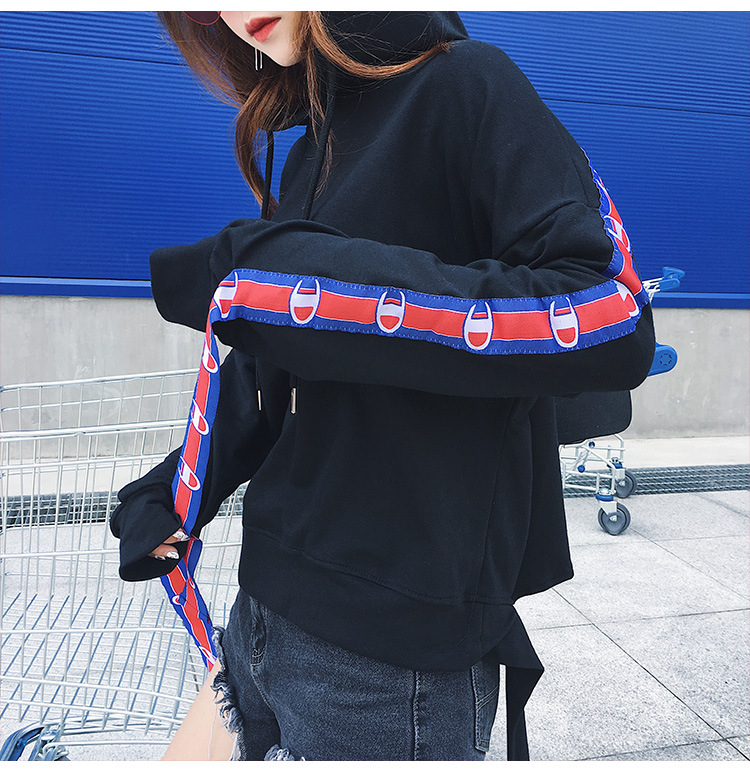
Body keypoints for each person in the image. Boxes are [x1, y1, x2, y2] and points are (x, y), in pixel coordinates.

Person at [108, 10, 655, 762]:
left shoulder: (468, 84)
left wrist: (287, 277)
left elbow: (611, 317)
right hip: (263, 606)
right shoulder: (311, 149)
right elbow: (277, 367)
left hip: (391, 665)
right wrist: (172, 493)